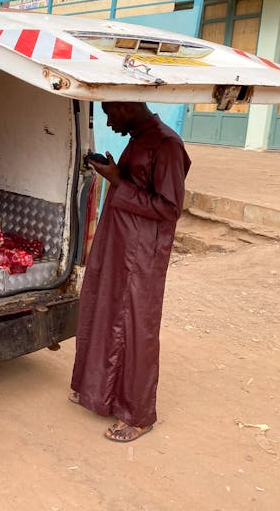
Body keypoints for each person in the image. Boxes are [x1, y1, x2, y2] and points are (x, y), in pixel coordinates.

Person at [69, 101, 191, 443]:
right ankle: (99, 393)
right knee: (104, 312)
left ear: (127, 107)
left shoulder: (167, 144)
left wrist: (117, 182)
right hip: (120, 245)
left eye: (110, 113)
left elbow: (169, 208)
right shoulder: (139, 137)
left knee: (136, 327)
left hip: (143, 254)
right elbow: (137, 185)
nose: (107, 120)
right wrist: (116, 174)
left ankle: (138, 414)